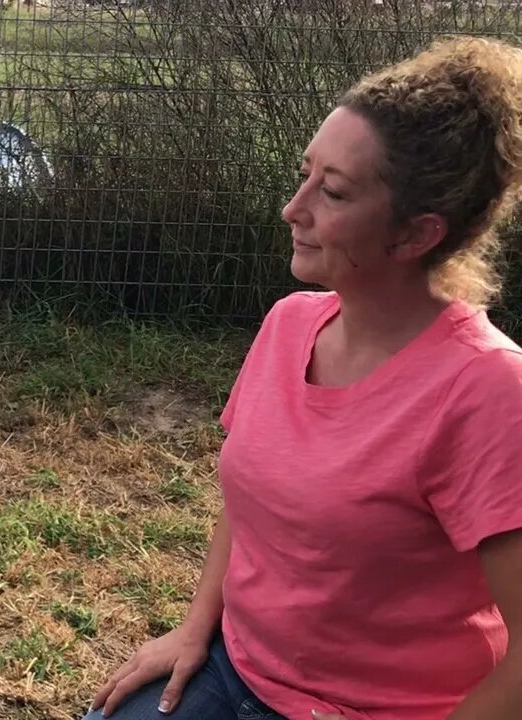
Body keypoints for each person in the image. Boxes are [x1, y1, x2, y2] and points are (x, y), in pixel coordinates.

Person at [84, 35, 522, 720]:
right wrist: (197, 627)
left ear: (414, 235)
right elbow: (251, 500)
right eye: (305, 174)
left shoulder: (489, 391)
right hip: (238, 672)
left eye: (334, 191)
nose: (295, 207)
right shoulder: (291, 324)